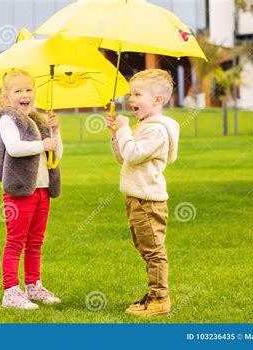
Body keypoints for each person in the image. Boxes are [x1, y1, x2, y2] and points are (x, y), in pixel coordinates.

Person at [106, 69, 180, 316]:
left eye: (137, 94)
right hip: (136, 198)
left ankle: (160, 299)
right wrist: (116, 134)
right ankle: (154, 293)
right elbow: (122, 158)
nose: (131, 100)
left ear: (157, 100)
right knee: (144, 246)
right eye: (130, 94)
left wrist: (125, 129)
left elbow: (134, 154)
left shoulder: (156, 130)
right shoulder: (143, 126)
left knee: (154, 250)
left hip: (148, 200)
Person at [0, 69, 63, 310]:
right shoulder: (7, 119)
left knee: (36, 241)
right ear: (5, 97)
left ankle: (33, 285)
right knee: (15, 241)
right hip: (20, 189)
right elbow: (14, 148)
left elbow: (56, 154)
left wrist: (56, 133)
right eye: (18, 90)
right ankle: (11, 291)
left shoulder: (39, 120)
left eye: (29, 90)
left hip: (42, 188)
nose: (25, 94)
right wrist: (42, 143)